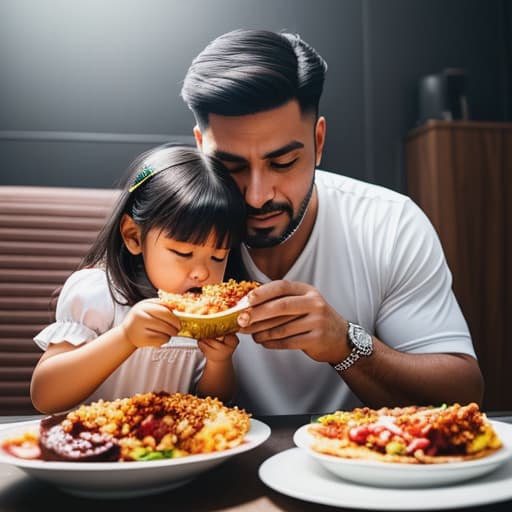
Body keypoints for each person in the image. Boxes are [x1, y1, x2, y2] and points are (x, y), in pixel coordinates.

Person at [180, 28, 484, 415]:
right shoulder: (164, 229)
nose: (257, 196)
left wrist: (346, 344)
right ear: (199, 148)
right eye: (231, 166)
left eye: (283, 163)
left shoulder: (388, 224)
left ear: (319, 142)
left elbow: (465, 394)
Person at [30, 144, 247, 414]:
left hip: (172, 451)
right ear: (133, 236)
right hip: (94, 446)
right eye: (184, 252)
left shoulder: (208, 313)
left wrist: (219, 362)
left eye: (218, 257)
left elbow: (214, 402)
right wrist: (125, 337)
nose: (202, 273)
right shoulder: (98, 294)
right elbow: (45, 395)